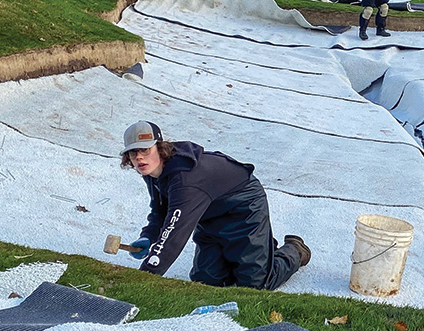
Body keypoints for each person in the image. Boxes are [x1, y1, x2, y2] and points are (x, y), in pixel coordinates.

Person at [119, 121, 310, 289]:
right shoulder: (153, 172)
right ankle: (260, 249)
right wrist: (148, 236)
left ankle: (294, 250)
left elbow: (175, 233)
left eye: (145, 150)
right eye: (133, 152)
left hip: (244, 209)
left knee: (255, 284)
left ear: (160, 148)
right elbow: (160, 211)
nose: (139, 157)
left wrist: (145, 277)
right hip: (210, 215)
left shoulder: (185, 180)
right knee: (206, 280)